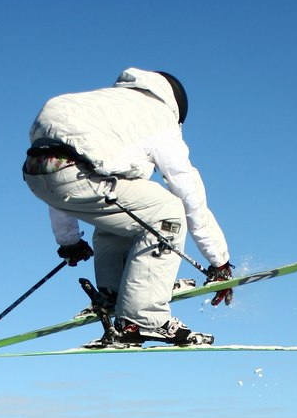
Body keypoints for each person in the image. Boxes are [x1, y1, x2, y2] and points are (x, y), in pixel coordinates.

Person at [22, 67, 233, 346]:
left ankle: (115, 292)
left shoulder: (109, 106)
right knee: (169, 213)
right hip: (76, 174)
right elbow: (189, 193)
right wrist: (219, 261)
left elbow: (57, 180)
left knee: (125, 210)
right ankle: (142, 318)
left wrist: (69, 240)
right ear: (176, 107)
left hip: (36, 172)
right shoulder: (158, 117)